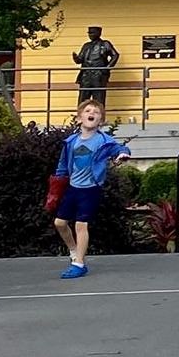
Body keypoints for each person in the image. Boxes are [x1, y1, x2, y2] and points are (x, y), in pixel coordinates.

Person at [51, 100, 131, 279]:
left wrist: (122, 153)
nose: (92, 113)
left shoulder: (103, 141)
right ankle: (74, 251)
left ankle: (79, 264)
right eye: (87, 111)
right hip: (73, 187)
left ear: (100, 120)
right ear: (79, 118)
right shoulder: (71, 142)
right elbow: (63, 164)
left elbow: (119, 148)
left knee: (81, 224)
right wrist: (56, 185)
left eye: (96, 112)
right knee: (60, 223)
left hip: (91, 189)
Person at [72, 26, 119, 107]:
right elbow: (80, 60)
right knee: (83, 98)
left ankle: (99, 114)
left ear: (99, 33)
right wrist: (76, 58)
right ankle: (81, 114)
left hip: (98, 75)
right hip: (86, 75)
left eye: (92, 33)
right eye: (89, 33)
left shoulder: (105, 44)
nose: (90, 35)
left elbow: (115, 55)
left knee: (99, 98)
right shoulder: (86, 45)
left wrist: (107, 68)